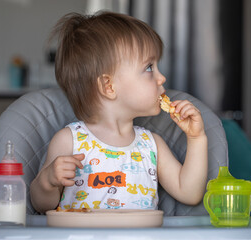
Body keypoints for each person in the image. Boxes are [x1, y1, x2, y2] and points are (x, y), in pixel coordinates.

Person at [30, 11, 208, 213]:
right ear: (109, 86)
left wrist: (196, 138)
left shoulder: (151, 145)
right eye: (149, 68)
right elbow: (42, 206)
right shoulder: (70, 141)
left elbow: (190, 193)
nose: (162, 78)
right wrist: (48, 182)